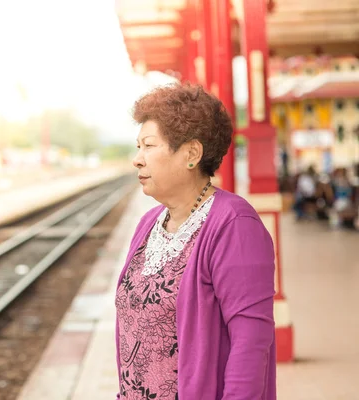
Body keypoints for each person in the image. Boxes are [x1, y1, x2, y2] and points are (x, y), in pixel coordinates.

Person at [115, 83, 276, 399]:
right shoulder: (148, 224)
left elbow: (251, 343)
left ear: (191, 154)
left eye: (148, 146)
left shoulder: (234, 225)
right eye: (137, 147)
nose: (138, 159)